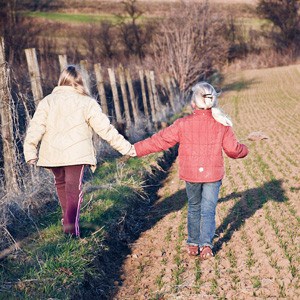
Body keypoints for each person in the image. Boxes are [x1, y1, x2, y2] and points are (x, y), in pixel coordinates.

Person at [133, 81, 248, 259]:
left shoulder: (182, 124)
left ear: (193, 103)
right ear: (213, 101)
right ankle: (207, 246)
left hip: (191, 174)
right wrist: (245, 149)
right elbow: (233, 149)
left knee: (194, 207)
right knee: (208, 210)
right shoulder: (222, 124)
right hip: (212, 175)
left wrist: (136, 149)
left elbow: (160, 140)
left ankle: (193, 243)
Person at [24, 65, 136, 237]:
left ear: (61, 81)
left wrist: (30, 151)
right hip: (77, 155)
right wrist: (126, 148)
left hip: (53, 154)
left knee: (61, 185)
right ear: (81, 82)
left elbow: (35, 127)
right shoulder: (87, 102)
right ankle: (71, 229)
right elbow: (105, 129)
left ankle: (67, 221)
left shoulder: (47, 101)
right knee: (73, 190)